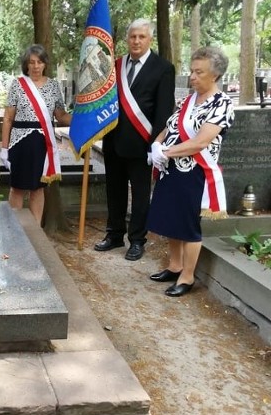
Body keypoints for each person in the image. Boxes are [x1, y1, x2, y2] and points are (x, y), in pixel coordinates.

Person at [146, 47, 234, 297]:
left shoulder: (222, 104)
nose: (192, 77)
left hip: (195, 171)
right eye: (191, 71)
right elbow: (170, 126)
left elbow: (200, 142)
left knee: (187, 225)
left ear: (215, 75)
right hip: (170, 168)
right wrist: (157, 144)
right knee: (171, 219)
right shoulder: (188, 99)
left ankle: (187, 276)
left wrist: (166, 152)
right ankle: (174, 266)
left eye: (199, 72)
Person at [94, 18, 175, 261]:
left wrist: (156, 144)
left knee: (140, 195)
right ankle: (114, 234)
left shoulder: (163, 68)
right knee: (114, 191)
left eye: (141, 37)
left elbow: (163, 112)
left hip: (142, 145)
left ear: (149, 39)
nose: (136, 41)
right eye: (133, 37)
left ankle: (137, 240)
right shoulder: (115, 66)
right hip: (114, 142)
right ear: (127, 39)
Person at [0, 44, 72, 225]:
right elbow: (8, 118)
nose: (36, 66)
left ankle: (35, 231)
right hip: (20, 142)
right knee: (17, 188)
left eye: (39, 62)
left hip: (42, 143)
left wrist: (83, 121)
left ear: (45, 64)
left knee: (37, 189)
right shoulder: (18, 84)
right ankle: (13, 228)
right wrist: (4, 148)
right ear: (27, 65)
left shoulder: (53, 86)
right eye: (32, 62)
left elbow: (61, 116)